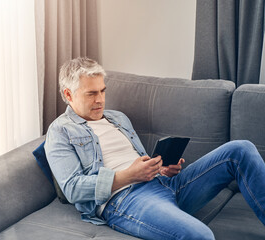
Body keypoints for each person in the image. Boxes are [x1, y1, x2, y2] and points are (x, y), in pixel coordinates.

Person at [44, 57, 265, 240]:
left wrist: (159, 168)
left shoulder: (117, 118)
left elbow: (137, 159)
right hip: (125, 199)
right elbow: (73, 188)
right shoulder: (60, 131)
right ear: (68, 95)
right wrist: (127, 176)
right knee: (201, 236)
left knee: (241, 149)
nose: (100, 100)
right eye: (91, 94)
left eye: (102, 91)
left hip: (165, 184)